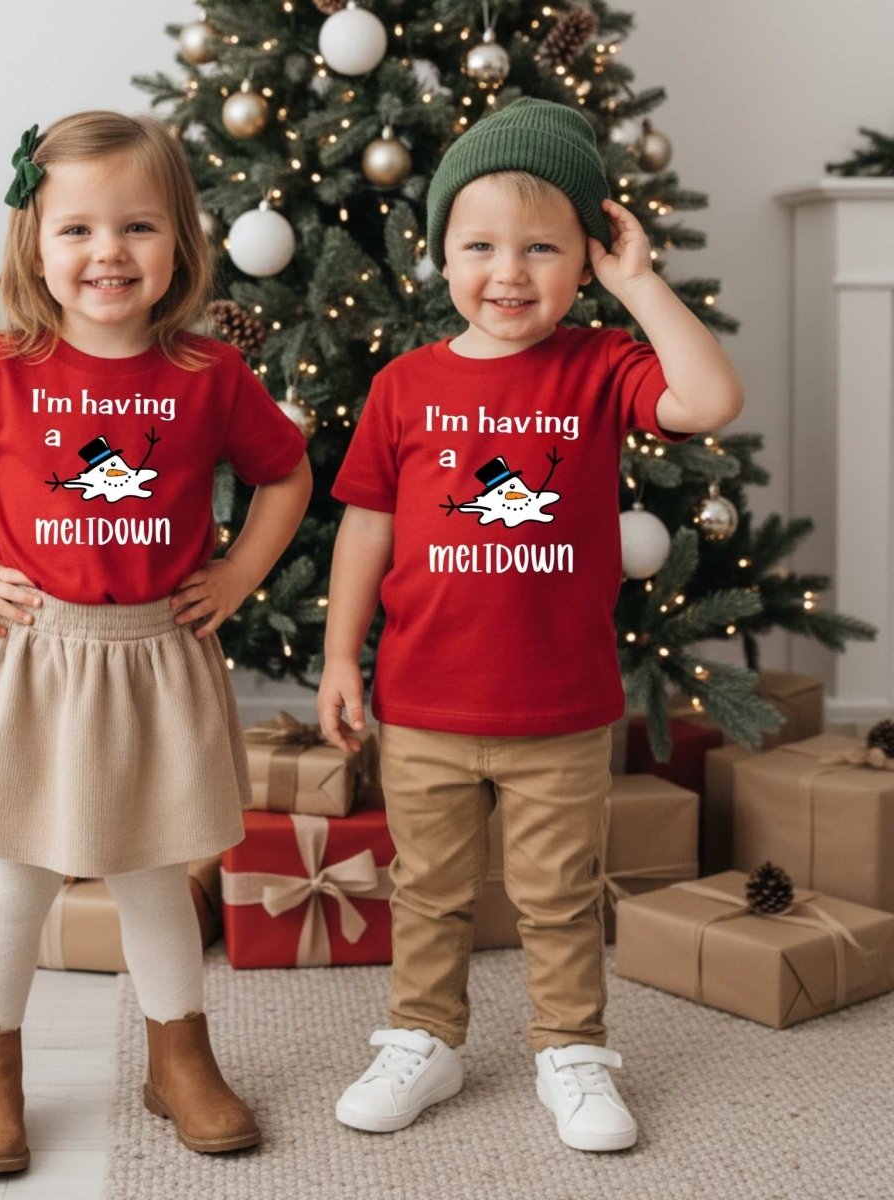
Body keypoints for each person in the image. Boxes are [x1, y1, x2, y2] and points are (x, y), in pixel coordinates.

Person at [0, 110, 311, 1172]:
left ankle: (179, 1058)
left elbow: (286, 472)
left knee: (155, 875)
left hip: (155, 659)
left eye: (137, 226)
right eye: (77, 229)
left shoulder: (207, 372)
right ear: (35, 244)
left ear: (179, 243)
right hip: (33, 659)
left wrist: (239, 572)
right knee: (12, 879)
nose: (108, 251)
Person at [317, 97, 743, 1153]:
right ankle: (425, 1037)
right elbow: (367, 527)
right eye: (480, 246)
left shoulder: (600, 366)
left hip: (558, 708)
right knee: (429, 893)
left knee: (558, 897)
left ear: (586, 255)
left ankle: (571, 1049)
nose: (509, 272)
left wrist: (639, 284)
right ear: (440, 256)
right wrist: (338, 659)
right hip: (423, 703)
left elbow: (709, 400)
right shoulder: (404, 385)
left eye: (543, 248)